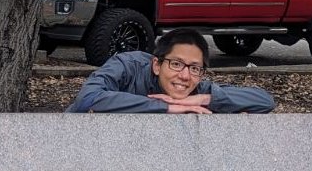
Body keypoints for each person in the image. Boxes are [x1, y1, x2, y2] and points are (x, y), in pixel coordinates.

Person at [65, 28, 275, 114]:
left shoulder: (197, 87)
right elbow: (88, 98)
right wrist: (164, 105)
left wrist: (202, 100)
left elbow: (265, 101)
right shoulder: (127, 65)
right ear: (157, 64)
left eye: (194, 68)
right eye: (176, 64)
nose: (184, 76)